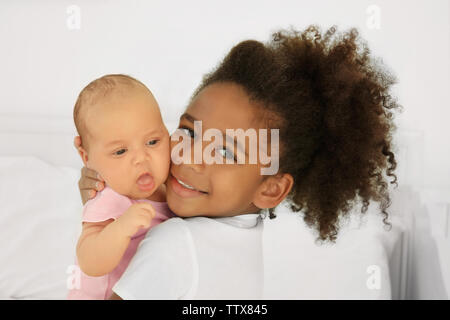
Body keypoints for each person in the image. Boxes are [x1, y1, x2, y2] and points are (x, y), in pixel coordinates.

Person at [75, 26, 401, 299]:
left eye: (225, 152)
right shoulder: (242, 232)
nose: (191, 156)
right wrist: (110, 200)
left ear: (271, 188)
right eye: (189, 131)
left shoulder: (173, 243)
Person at [67, 74, 174, 299]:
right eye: (120, 151)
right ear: (86, 157)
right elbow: (89, 261)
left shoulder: (172, 188)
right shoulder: (109, 198)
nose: (141, 159)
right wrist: (121, 228)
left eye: (153, 142)